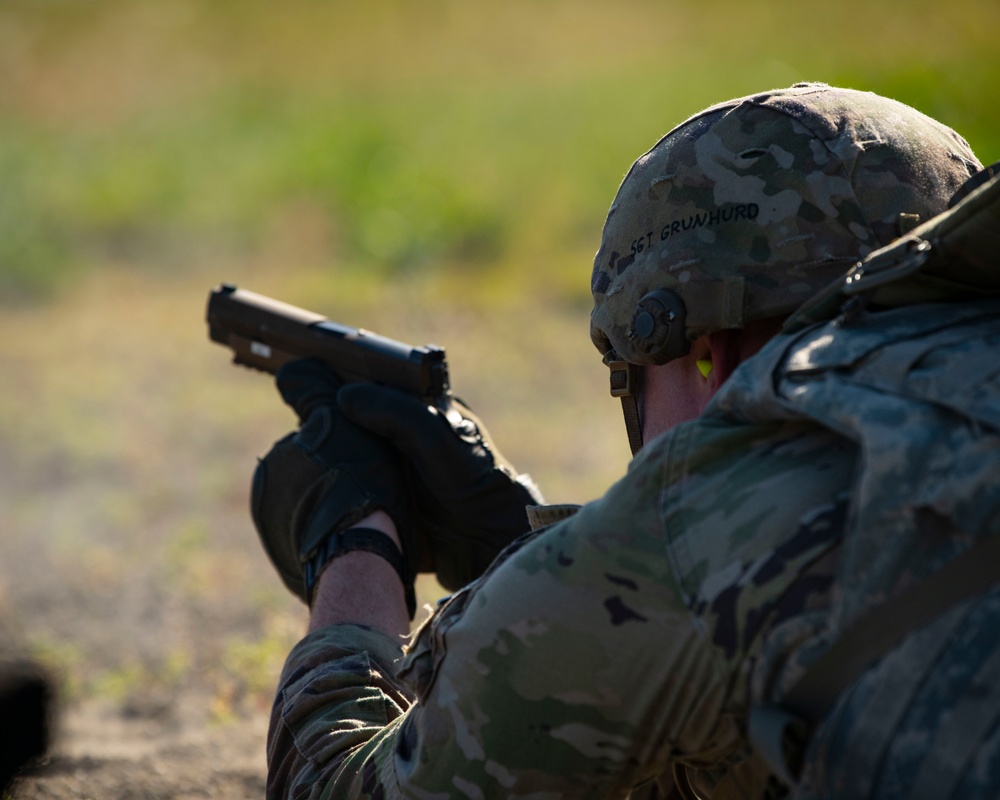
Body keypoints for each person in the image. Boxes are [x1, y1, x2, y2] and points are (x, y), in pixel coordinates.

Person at [249, 83, 1000, 798]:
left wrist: (357, 548)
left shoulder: (705, 519)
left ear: (708, 353)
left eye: (632, 378)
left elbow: (339, 788)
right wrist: (524, 552)